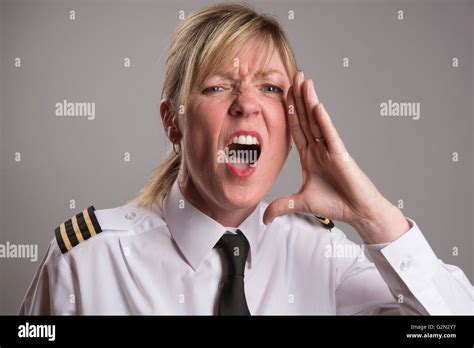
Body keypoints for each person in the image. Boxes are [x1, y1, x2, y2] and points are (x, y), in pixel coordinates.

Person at [20, 2, 473, 315]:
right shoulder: (87, 261)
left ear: (292, 121)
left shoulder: (323, 253)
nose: (246, 105)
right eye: (217, 87)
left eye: (271, 88)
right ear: (172, 122)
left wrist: (372, 215)